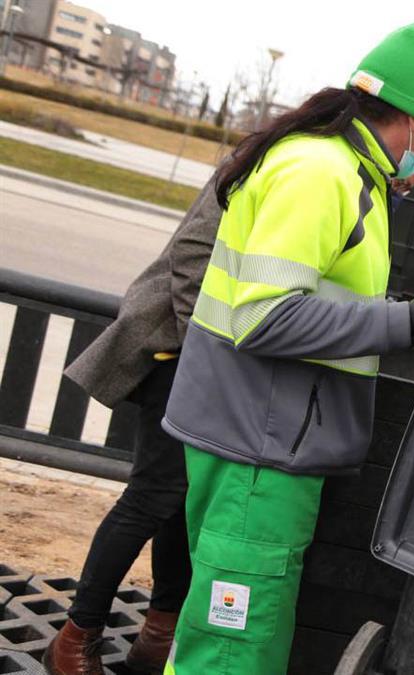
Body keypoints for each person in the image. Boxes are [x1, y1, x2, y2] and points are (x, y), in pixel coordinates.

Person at [157, 19, 414, 674]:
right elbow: (266, 318)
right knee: (230, 651)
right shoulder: (321, 175)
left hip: (266, 445)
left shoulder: (351, 174)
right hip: (258, 455)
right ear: (410, 120)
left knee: (243, 639)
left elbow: (318, 297)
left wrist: (398, 316)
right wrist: (401, 323)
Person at [43, 177, 222, 675]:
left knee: (183, 499)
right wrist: (201, 346)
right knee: (152, 495)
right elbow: (192, 250)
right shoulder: (267, 158)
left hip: (210, 362)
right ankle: (76, 637)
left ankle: (157, 638)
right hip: (181, 353)